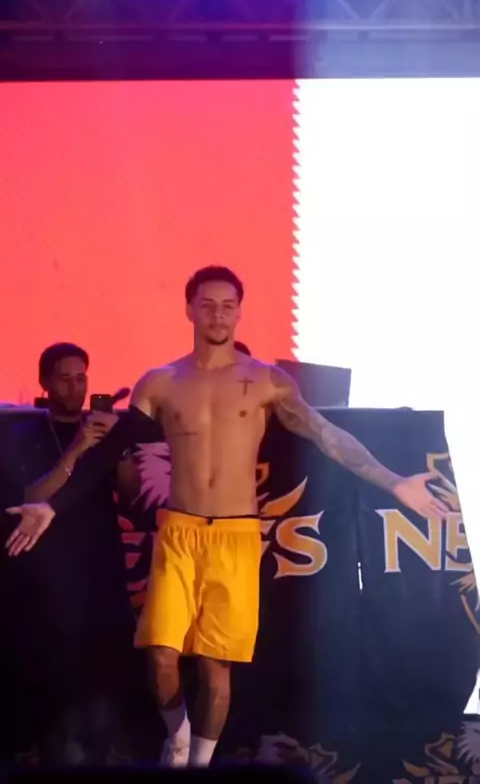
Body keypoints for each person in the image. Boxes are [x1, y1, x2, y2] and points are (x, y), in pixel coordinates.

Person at [5, 268, 448, 769]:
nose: (218, 314)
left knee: (217, 670)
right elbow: (110, 454)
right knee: (160, 655)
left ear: (239, 311)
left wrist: (393, 482)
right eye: (208, 304)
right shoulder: (161, 382)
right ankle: (177, 737)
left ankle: (199, 764)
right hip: (180, 532)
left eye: (228, 305)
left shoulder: (266, 382)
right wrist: (53, 505)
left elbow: (327, 436)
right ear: (189, 309)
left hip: (235, 535)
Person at [0, 343, 140, 765]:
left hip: (100, 569)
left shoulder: (102, 433)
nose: (75, 387)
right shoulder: (26, 433)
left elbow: (131, 493)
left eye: (81, 378)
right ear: (45, 382)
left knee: (102, 676)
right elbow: (31, 495)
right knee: (53, 679)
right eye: (64, 378)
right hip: (49, 576)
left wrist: (120, 446)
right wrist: (77, 448)